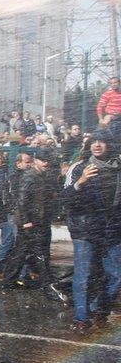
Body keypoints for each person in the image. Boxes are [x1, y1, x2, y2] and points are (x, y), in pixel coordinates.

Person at [61, 132, 121, 331]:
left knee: (116, 274)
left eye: (102, 141)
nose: (97, 145)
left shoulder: (118, 167)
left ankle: (96, 306)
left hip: (111, 228)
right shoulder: (79, 167)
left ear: (109, 145)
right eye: (94, 142)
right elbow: (65, 199)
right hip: (85, 228)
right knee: (84, 274)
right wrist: (82, 181)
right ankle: (81, 317)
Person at [4, 150, 59, 288]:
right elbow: (22, 201)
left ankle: (10, 280)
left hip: (39, 221)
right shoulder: (30, 176)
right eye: (42, 160)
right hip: (31, 223)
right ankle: (46, 282)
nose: (46, 163)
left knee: (22, 252)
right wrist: (25, 221)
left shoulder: (43, 176)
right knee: (34, 252)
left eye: (48, 160)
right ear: (36, 161)